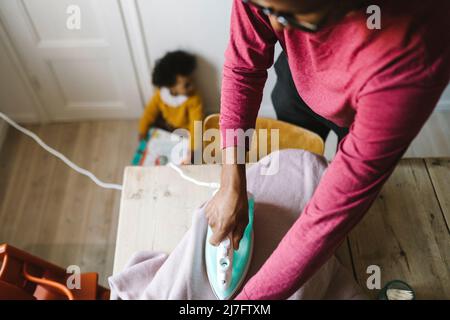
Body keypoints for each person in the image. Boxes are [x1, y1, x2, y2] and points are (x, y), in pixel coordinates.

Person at [205, 0, 450, 299]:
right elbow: (244, 67)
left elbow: (325, 221)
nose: (276, 26)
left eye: (293, 16)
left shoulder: (415, 54)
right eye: (266, 8)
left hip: (365, 100)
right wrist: (232, 179)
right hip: (301, 74)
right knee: (294, 135)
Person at [138, 50, 203, 163]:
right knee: (153, 142)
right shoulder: (160, 95)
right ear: (171, 87)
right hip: (167, 126)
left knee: (194, 153)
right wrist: (142, 130)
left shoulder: (193, 99)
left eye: (192, 80)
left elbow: (196, 124)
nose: (192, 86)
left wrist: (192, 149)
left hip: (185, 131)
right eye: (187, 84)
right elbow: (149, 112)